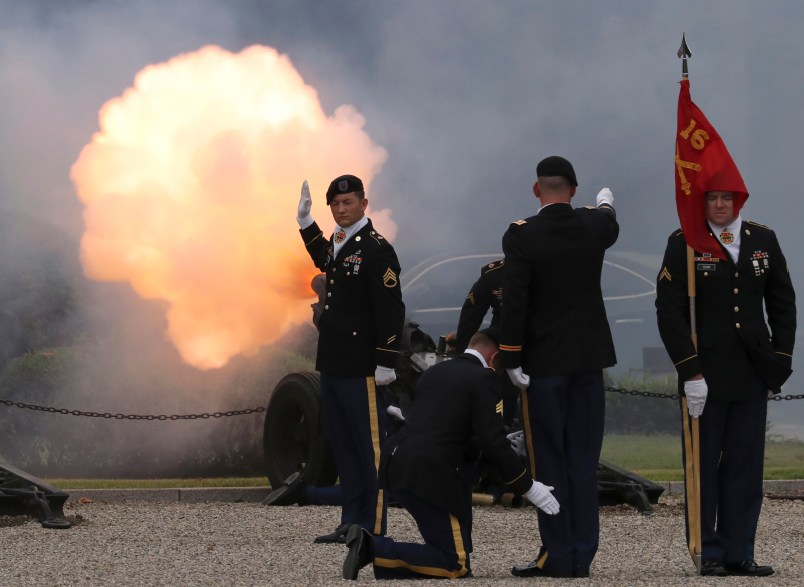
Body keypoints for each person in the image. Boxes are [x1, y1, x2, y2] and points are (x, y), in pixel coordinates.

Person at [341, 328, 560, 580]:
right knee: (455, 563)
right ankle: (372, 548)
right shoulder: (484, 379)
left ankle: (383, 555)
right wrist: (527, 486)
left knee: (458, 549)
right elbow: (492, 441)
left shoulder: (434, 372)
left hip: (399, 463)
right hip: (430, 473)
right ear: (495, 357)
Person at [655, 190, 795, 577]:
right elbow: (669, 311)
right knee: (704, 466)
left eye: (727, 198)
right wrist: (690, 370)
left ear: (740, 201)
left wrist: (780, 361)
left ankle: (740, 551)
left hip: (752, 370)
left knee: (745, 467)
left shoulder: (762, 239)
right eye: (712, 198)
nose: (720, 205)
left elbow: (782, 302)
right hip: (707, 372)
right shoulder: (684, 242)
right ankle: (709, 551)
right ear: (702, 202)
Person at [498, 155, 618, 578]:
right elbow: (609, 222)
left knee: (548, 461)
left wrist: (510, 356)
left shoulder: (522, 235)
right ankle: (582, 554)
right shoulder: (593, 225)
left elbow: (515, 299)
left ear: (537, 190)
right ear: (574, 190)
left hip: (544, 365)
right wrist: (605, 205)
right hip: (588, 362)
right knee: (583, 462)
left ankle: (557, 554)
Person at [295, 174, 406, 544]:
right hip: (335, 361)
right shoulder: (340, 241)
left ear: (363, 203)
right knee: (343, 444)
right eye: (335, 205)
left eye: (348, 203)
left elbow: (391, 310)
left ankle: (371, 526)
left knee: (368, 448)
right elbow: (326, 260)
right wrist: (307, 224)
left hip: (363, 366)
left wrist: (387, 360)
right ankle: (350, 521)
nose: (341, 210)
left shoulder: (377, 248)